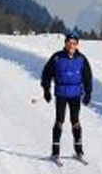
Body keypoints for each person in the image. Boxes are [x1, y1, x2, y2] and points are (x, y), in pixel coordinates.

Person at [40, 32, 93, 161]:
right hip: (61, 94)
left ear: (77, 45)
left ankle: (79, 151)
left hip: (75, 94)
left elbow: (87, 77)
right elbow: (46, 74)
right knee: (59, 121)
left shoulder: (81, 59)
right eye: (69, 43)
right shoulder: (57, 58)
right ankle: (55, 152)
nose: (71, 46)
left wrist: (88, 93)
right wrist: (46, 90)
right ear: (65, 43)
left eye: (74, 43)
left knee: (75, 121)